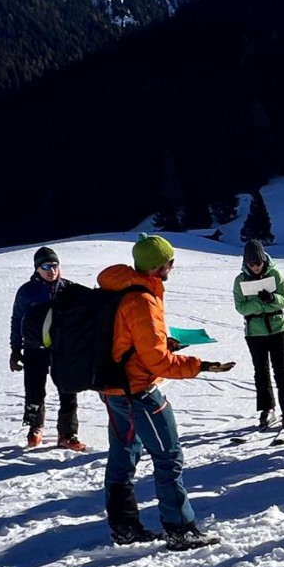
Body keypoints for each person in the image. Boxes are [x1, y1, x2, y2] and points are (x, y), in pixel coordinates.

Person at [97, 234, 234, 549]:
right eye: (170, 262)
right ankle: (180, 528)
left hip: (114, 389)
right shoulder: (142, 300)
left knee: (122, 455)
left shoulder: (119, 287)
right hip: (139, 392)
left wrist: (164, 344)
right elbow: (158, 363)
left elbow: (128, 341)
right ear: (159, 266)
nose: (172, 267)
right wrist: (200, 365)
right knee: (168, 456)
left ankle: (124, 527)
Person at [10, 246, 85, 451]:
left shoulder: (69, 289)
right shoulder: (27, 291)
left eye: (55, 265)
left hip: (63, 350)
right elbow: (17, 320)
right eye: (46, 266)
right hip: (34, 349)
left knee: (68, 391)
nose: (51, 270)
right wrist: (15, 350)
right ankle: (35, 426)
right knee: (34, 391)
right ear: (37, 269)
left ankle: (67, 434)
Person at [233, 239, 284, 430]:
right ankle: (267, 408)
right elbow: (240, 306)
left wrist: (272, 298)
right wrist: (258, 303)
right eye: (251, 264)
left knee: (281, 369)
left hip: (278, 328)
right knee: (261, 371)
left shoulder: (275, 274)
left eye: (258, 263)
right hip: (254, 332)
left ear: (263, 259)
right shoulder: (240, 280)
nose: (255, 267)